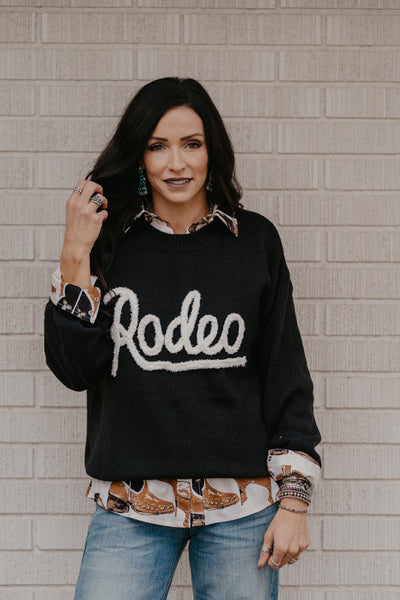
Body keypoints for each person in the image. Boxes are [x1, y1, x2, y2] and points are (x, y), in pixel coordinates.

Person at [44, 77, 322, 600]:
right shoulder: (108, 244)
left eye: (192, 144)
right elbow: (76, 371)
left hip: (241, 507)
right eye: (157, 146)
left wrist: (295, 501)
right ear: (139, 157)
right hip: (130, 505)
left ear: (212, 151)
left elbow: (285, 373)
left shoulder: (255, 241)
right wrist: (74, 254)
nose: (176, 164)